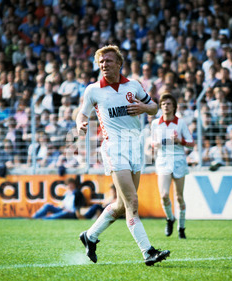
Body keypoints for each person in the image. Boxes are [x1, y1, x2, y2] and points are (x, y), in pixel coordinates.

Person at [76, 44, 170, 266]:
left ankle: (89, 236)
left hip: (135, 146)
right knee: (132, 202)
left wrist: (144, 108)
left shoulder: (134, 85)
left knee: (120, 205)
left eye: (108, 61)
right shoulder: (93, 90)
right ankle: (148, 252)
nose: (104, 65)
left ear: (119, 63)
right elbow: (82, 113)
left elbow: (155, 108)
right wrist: (80, 123)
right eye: (101, 62)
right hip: (114, 147)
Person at [151, 93, 195, 239]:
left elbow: (191, 143)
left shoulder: (180, 123)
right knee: (164, 195)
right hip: (163, 159)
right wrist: (155, 144)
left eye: (169, 104)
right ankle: (170, 218)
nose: (166, 106)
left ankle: (181, 227)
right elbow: (152, 142)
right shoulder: (155, 123)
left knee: (179, 196)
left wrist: (179, 140)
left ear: (174, 106)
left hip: (178, 160)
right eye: (163, 104)